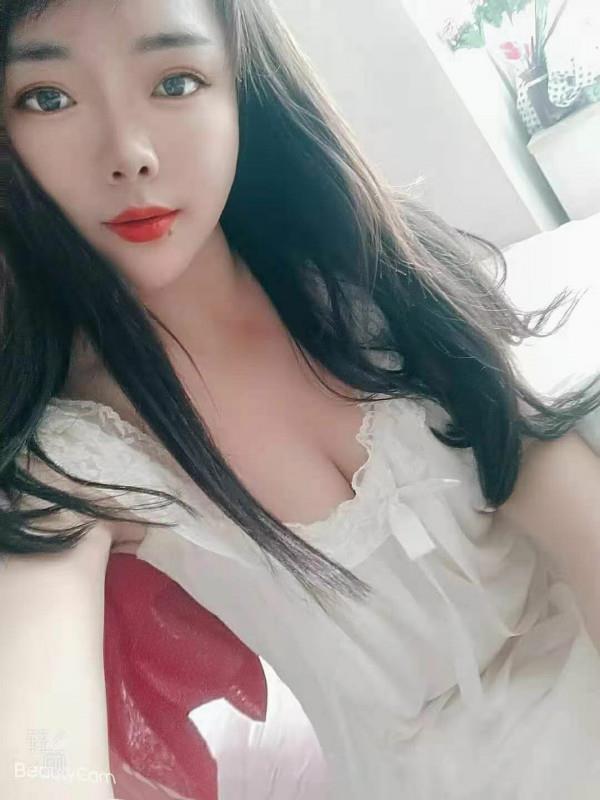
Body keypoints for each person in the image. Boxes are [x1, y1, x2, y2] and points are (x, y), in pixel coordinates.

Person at [1, 0, 600, 797]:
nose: (129, 154)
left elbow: (537, 461)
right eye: (48, 97)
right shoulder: (75, 456)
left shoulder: (375, 278)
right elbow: (36, 740)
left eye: (175, 81)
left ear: (240, 87)